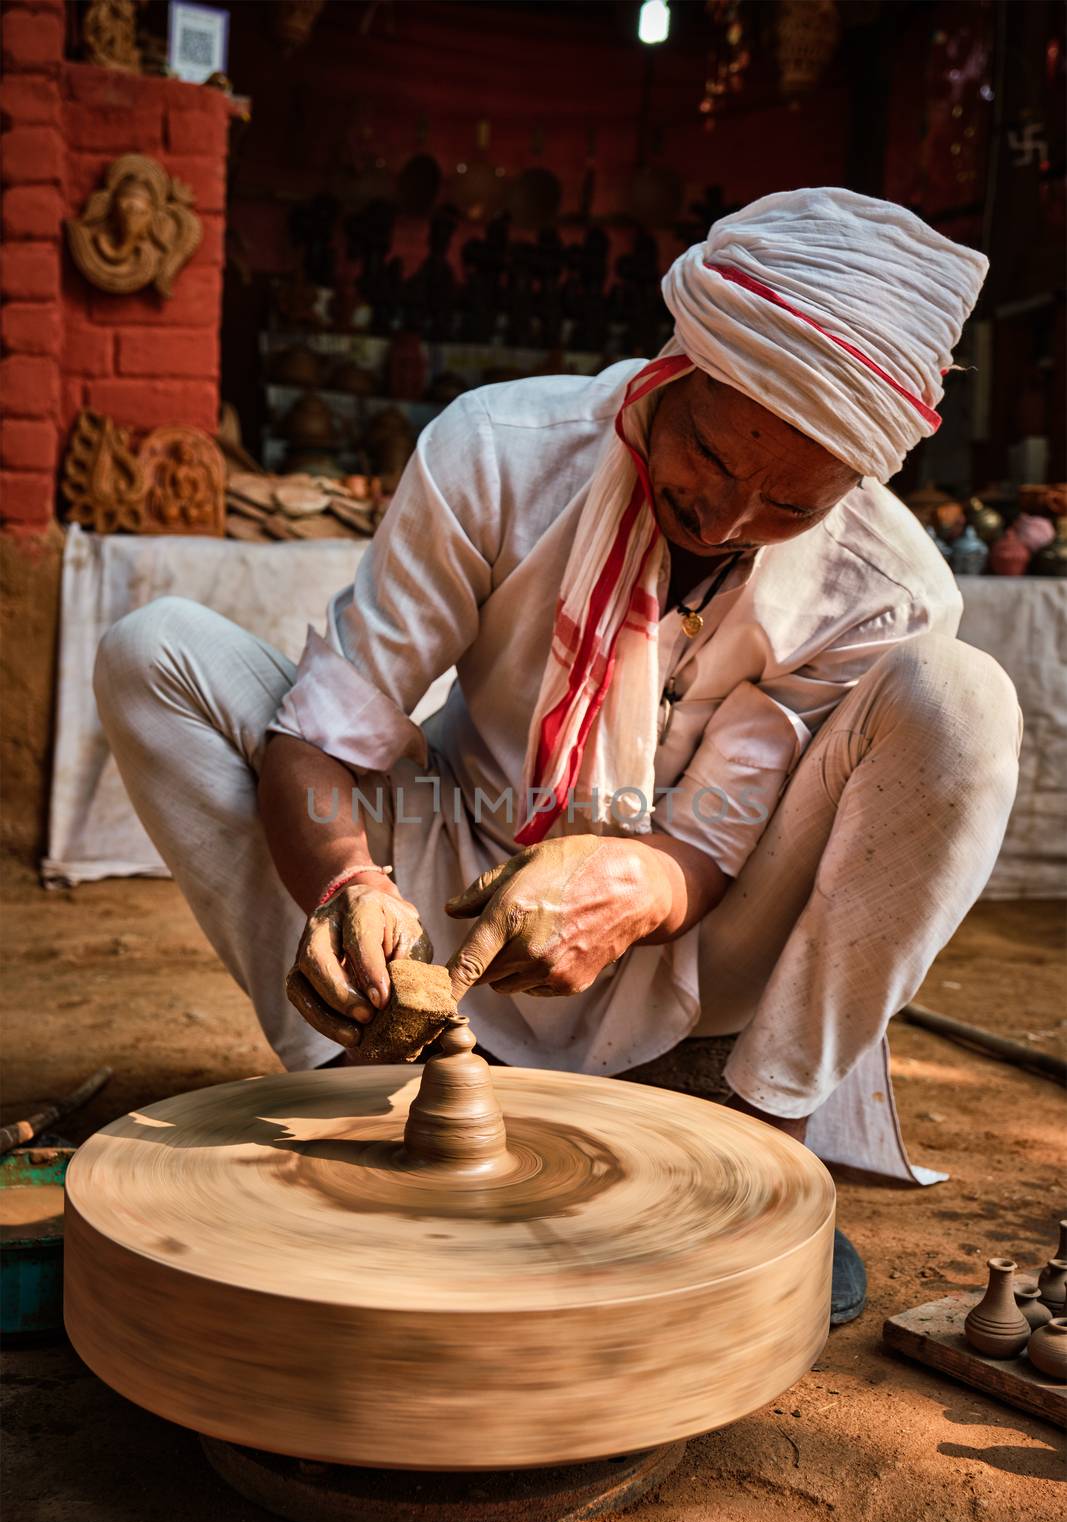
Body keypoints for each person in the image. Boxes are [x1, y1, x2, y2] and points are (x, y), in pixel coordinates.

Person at [95, 189, 1021, 1325]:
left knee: (961, 703)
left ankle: (758, 1145)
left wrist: (628, 886)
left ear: (852, 485)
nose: (725, 518)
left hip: (697, 944)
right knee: (157, 653)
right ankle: (362, 1066)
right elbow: (327, 728)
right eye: (708, 457)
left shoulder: (879, 586)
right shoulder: (500, 450)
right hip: (454, 871)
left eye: (787, 501)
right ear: (677, 367)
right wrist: (346, 882)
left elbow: (710, 841)